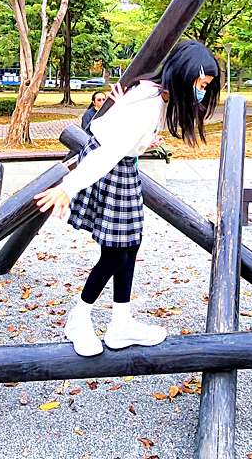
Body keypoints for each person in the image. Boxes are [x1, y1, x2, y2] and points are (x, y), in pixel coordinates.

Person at [35, 40, 221, 357]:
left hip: (123, 170)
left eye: (206, 87)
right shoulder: (149, 104)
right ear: (183, 75)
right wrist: (68, 186)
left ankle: (121, 324)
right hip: (109, 171)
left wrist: (140, 140)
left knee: (129, 248)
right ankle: (78, 319)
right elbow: (106, 152)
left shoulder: (153, 93)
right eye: (200, 85)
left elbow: (100, 126)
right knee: (116, 255)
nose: (201, 93)